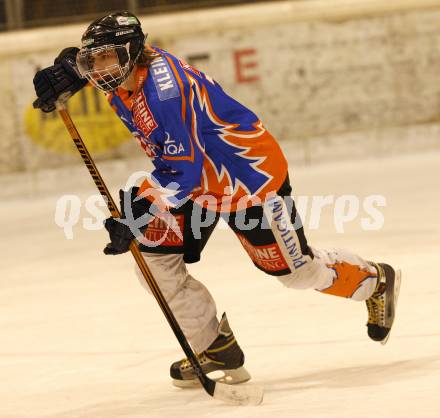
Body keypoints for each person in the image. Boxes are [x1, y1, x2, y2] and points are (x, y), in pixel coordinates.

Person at [33, 11, 401, 388]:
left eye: (104, 57)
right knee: (153, 255)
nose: (96, 68)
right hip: (193, 182)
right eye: (91, 60)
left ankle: (375, 281)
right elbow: (181, 170)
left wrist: (137, 214)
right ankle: (215, 345)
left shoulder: (164, 94)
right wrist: (67, 70)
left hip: (247, 182)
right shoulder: (125, 73)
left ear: (131, 52)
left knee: (297, 274)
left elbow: (182, 171)